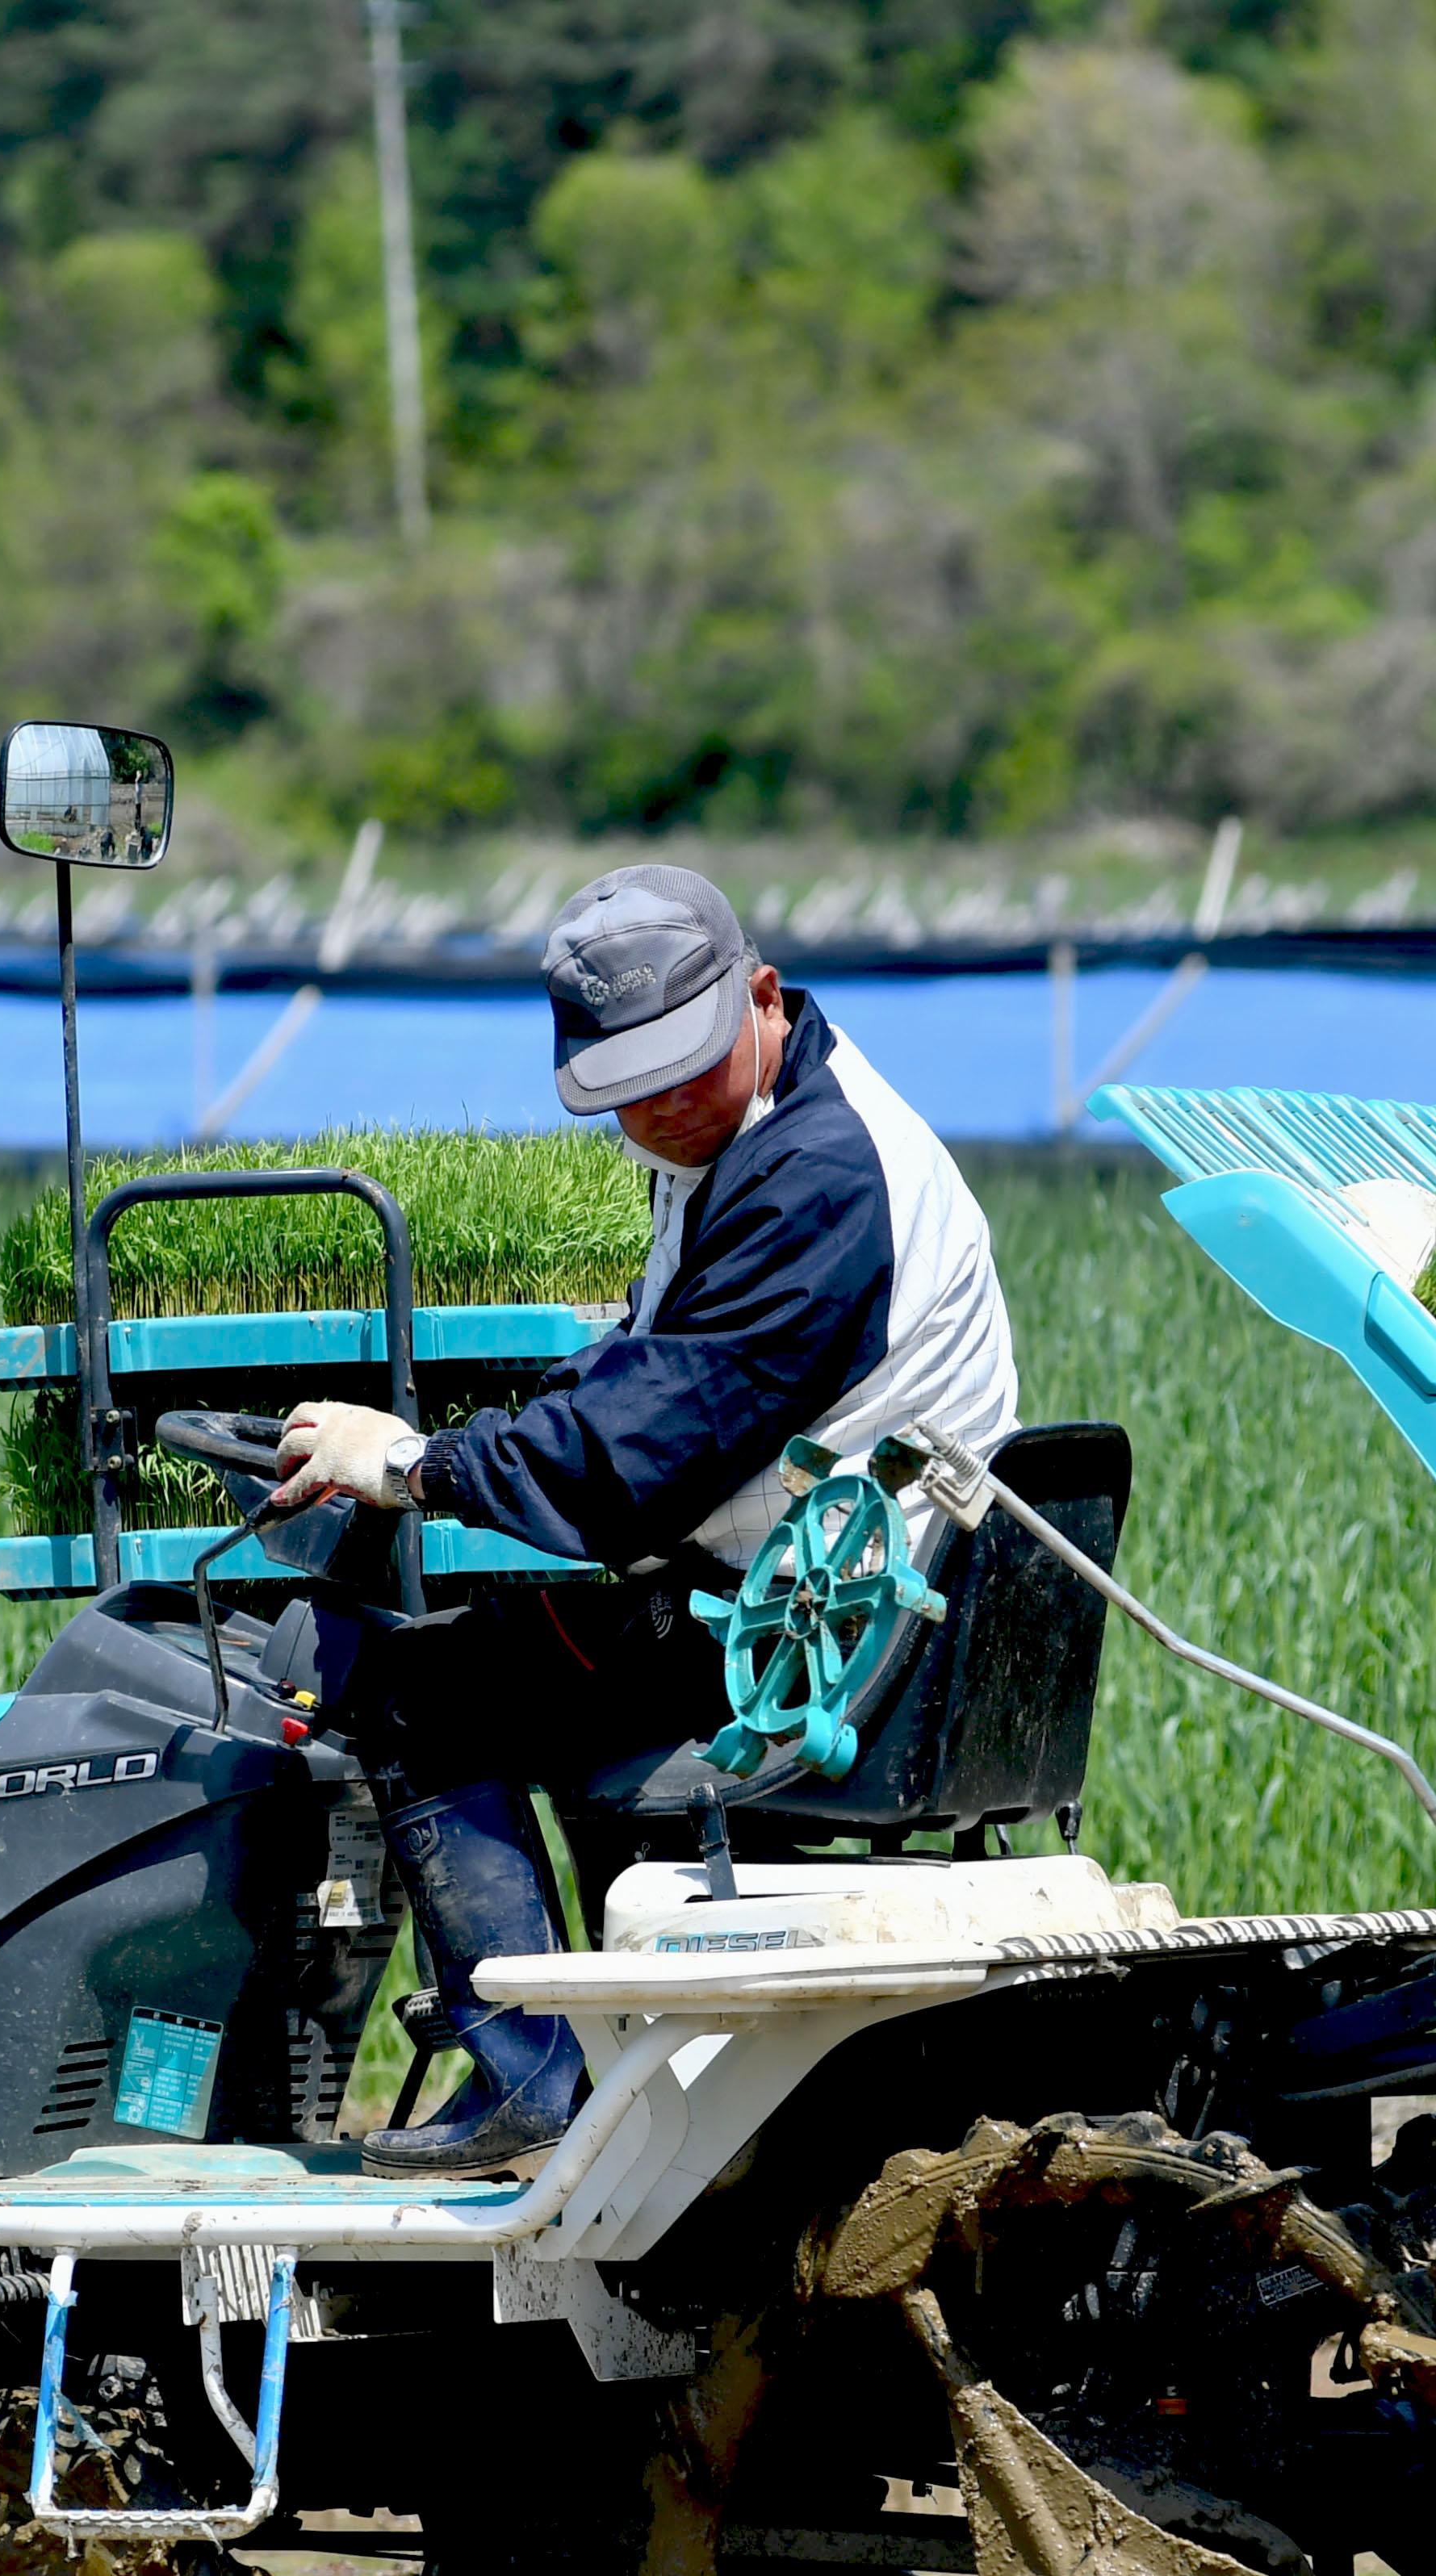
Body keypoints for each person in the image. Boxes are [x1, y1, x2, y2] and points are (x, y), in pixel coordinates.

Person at [272, 864, 1018, 2174]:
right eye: (630, 1087)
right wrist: (466, 1441)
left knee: (417, 1687)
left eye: (686, 1067)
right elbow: (645, 1365)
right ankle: (615, 2053)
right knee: (522, 1653)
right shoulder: (759, 1136)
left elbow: (640, 1460)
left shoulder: (815, 1181)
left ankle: (532, 2077)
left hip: (812, 1652)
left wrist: (411, 1468)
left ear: (764, 996)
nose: (663, 1106)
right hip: (816, 1605)